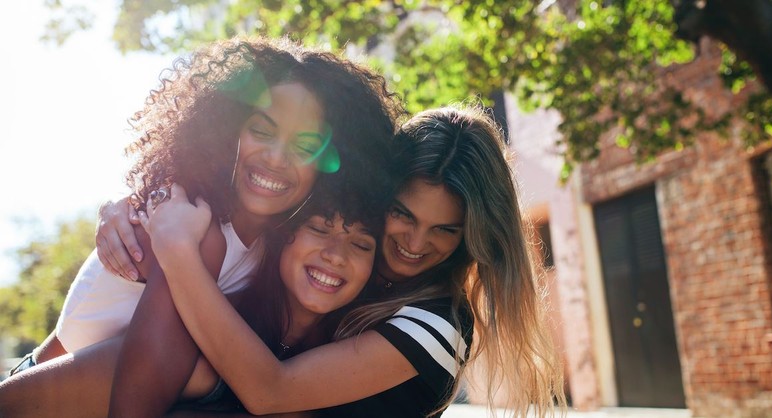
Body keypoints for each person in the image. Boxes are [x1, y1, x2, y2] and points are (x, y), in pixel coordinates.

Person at [3, 35, 401, 417]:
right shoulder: (187, 223)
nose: (277, 158)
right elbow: (133, 408)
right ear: (227, 132)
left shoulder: (279, 245)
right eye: (262, 131)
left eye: (305, 146)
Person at [97, 105, 566, 418]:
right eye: (403, 214)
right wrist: (145, 205)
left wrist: (176, 253)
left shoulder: (437, 323)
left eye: (446, 229)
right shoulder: (352, 277)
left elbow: (270, 391)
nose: (417, 243)